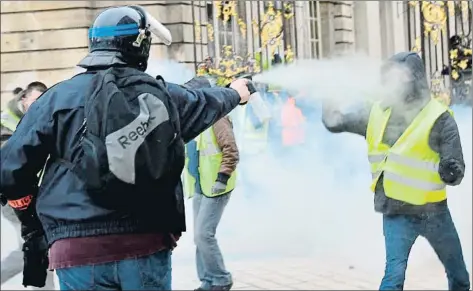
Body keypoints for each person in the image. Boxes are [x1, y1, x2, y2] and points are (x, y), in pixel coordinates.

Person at [0, 5, 250, 291]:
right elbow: (204, 102)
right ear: (140, 45)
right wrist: (236, 92)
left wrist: (32, 217)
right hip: (146, 242)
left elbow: (10, 171)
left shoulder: (55, 98)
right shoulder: (161, 94)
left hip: (76, 247)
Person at [322, 52, 470, 291]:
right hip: (396, 212)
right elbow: (334, 122)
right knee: (394, 278)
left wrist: (450, 170)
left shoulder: (439, 118)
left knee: (460, 278)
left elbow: (456, 168)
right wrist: (327, 94)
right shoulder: (377, 113)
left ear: (414, 79)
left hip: (434, 214)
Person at [183, 78, 239, 291]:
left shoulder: (217, 118)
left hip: (216, 185)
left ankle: (221, 278)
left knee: (203, 234)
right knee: (199, 236)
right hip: (200, 184)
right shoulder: (197, 118)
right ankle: (207, 281)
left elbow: (231, 150)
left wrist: (222, 177)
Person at [1, 82, 55, 289]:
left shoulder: (33, 120)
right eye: (33, 102)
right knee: (32, 243)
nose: (36, 107)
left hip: (30, 193)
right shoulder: (7, 125)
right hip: (13, 194)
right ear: (23, 99)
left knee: (40, 244)